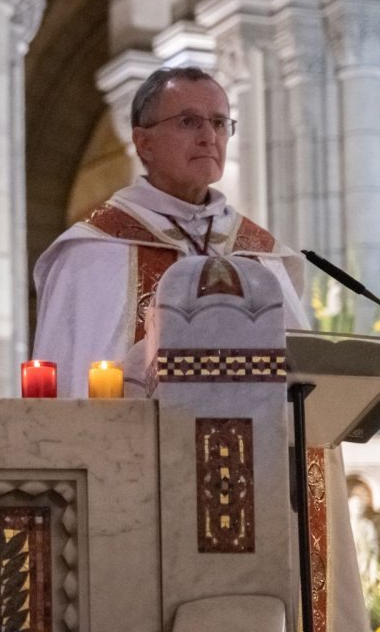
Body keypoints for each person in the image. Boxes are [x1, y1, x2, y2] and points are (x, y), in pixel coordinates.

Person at [33, 65, 367, 628]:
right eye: (188, 121)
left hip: (262, 498)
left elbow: (304, 381)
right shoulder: (92, 252)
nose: (208, 136)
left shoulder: (260, 253)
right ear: (142, 140)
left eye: (218, 122)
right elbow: (75, 391)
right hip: (142, 492)